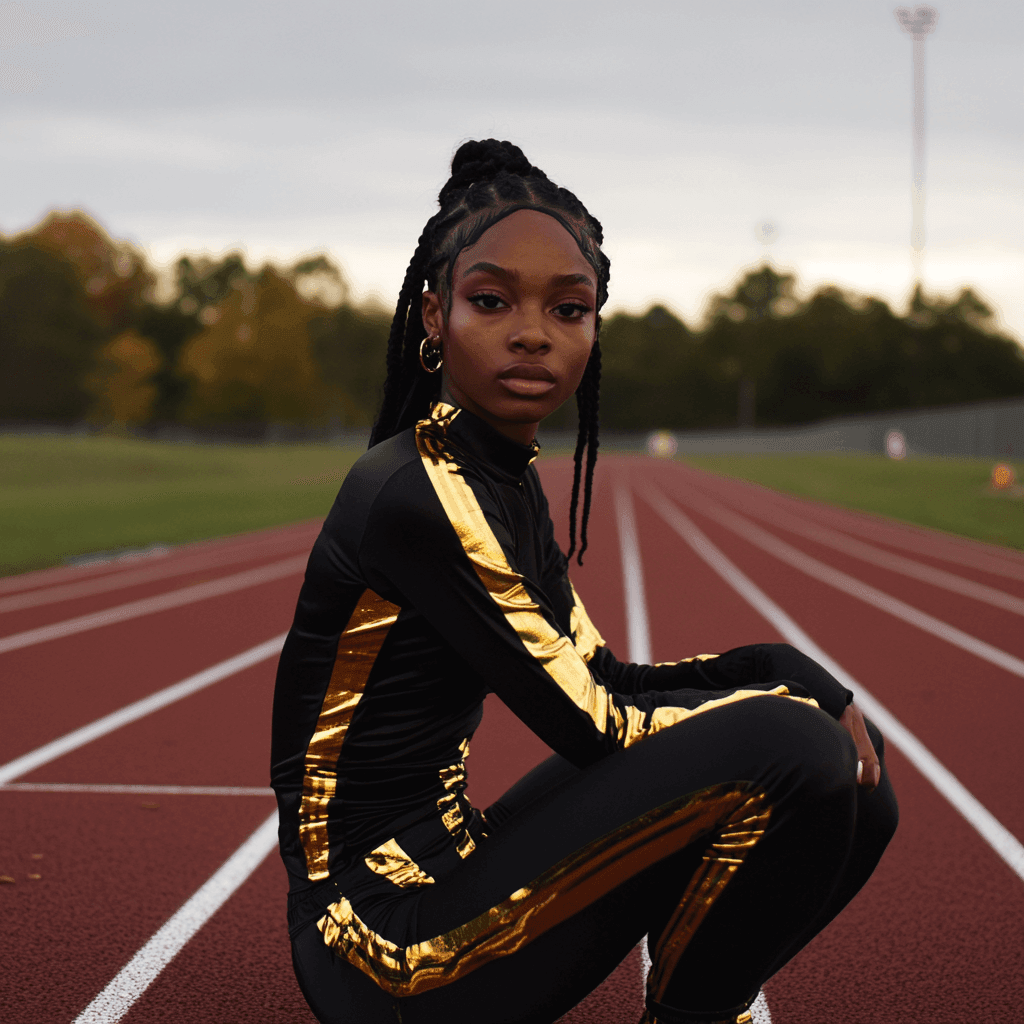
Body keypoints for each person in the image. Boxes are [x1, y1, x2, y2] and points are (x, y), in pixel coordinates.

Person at [270, 139, 898, 1024]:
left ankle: (693, 1002)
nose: (533, 332)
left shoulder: (506, 479)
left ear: (595, 331)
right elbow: (597, 725)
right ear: (432, 316)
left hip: (456, 866)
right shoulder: (417, 492)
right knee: (797, 753)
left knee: (861, 783)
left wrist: (794, 671)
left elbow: (601, 677)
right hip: (378, 949)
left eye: (569, 309)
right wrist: (781, 696)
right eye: (491, 301)